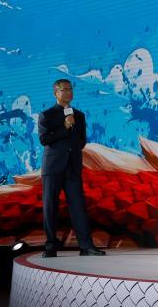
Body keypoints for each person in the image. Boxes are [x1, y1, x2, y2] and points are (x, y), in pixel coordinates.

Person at [38, 79, 105, 257]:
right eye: (64, 89)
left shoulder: (79, 116)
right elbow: (44, 139)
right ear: (55, 93)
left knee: (78, 207)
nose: (68, 92)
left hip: (73, 166)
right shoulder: (46, 115)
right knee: (50, 206)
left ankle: (86, 246)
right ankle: (50, 247)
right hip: (53, 167)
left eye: (70, 89)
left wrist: (72, 150)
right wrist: (65, 128)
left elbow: (81, 141)